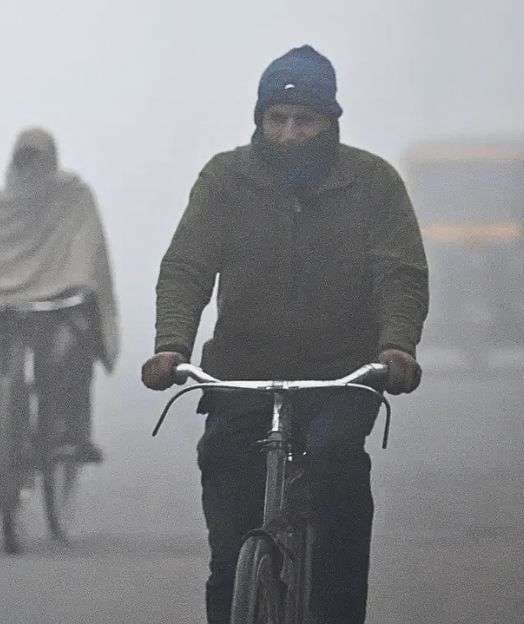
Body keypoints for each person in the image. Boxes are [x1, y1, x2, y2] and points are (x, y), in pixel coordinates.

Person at [141, 45, 427, 624]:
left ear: (330, 122)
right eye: (277, 119)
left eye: (304, 120)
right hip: (241, 372)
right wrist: (171, 345)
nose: (290, 134)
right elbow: (188, 265)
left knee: (336, 470)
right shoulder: (224, 179)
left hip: (342, 375)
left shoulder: (373, 182)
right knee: (228, 515)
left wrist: (396, 346)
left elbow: (399, 272)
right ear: (259, 119)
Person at [0, 128, 118, 498]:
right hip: (10, 305)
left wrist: (77, 283)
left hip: (59, 302)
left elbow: (86, 247)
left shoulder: (74, 195)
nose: (31, 166)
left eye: (37, 158)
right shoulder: (2, 203)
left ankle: (73, 433)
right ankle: (4, 472)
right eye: (24, 158)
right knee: (5, 379)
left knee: (70, 356)